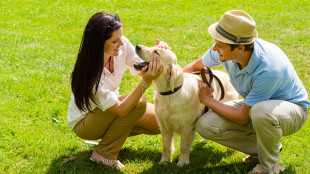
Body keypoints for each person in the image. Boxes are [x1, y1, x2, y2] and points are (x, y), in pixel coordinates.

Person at [183, 10, 309, 174]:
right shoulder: (224, 49)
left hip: (292, 110)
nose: (214, 48)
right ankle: (268, 148)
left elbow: (243, 118)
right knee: (205, 125)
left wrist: (209, 101)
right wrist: (174, 87)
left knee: (261, 112)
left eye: (220, 45)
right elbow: (194, 67)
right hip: (255, 106)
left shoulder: (269, 68)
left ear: (240, 49)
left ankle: (268, 168)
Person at [67, 12, 167, 169]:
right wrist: (145, 83)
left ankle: (113, 137)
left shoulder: (121, 45)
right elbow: (121, 110)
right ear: (99, 43)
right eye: (115, 41)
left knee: (162, 122)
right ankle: (104, 154)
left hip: (108, 109)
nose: (121, 43)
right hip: (85, 122)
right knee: (138, 103)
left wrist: (158, 55)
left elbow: (143, 70)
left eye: (121, 37)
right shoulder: (91, 76)